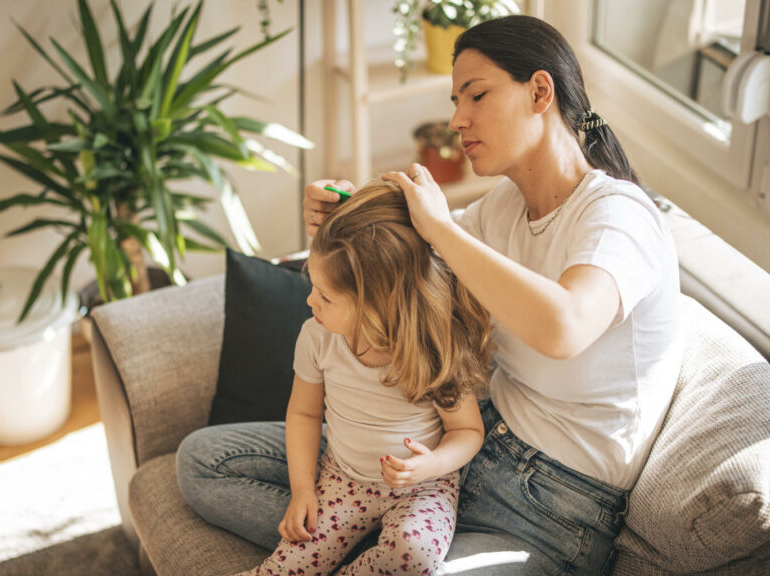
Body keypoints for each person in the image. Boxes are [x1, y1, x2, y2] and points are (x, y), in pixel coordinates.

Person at [180, 15, 682, 575]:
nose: (456, 119)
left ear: (540, 91)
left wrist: (442, 229)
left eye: (476, 95)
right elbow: (397, 262)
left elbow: (563, 327)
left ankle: (362, 549)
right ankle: (343, 536)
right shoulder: (504, 207)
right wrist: (342, 214)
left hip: (545, 507)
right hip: (442, 452)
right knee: (204, 461)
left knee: (413, 560)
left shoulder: (618, 216)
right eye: (454, 99)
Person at [230, 179, 494, 576]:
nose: (309, 301)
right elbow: (303, 416)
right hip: (342, 479)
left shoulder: (432, 348)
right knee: (284, 568)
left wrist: (433, 464)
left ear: (377, 307)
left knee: (414, 555)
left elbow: (469, 431)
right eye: (313, 287)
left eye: (325, 296)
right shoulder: (317, 338)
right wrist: (303, 491)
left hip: (421, 489)